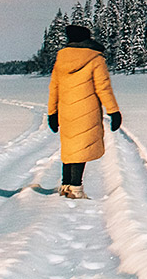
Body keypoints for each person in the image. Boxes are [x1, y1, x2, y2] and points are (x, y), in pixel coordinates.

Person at [46, 24, 122, 199]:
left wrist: (52, 113)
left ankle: (66, 185)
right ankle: (76, 189)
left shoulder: (61, 59)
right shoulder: (96, 58)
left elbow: (54, 88)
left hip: (66, 111)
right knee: (81, 148)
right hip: (87, 111)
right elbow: (103, 88)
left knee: (70, 148)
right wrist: (113, 111)